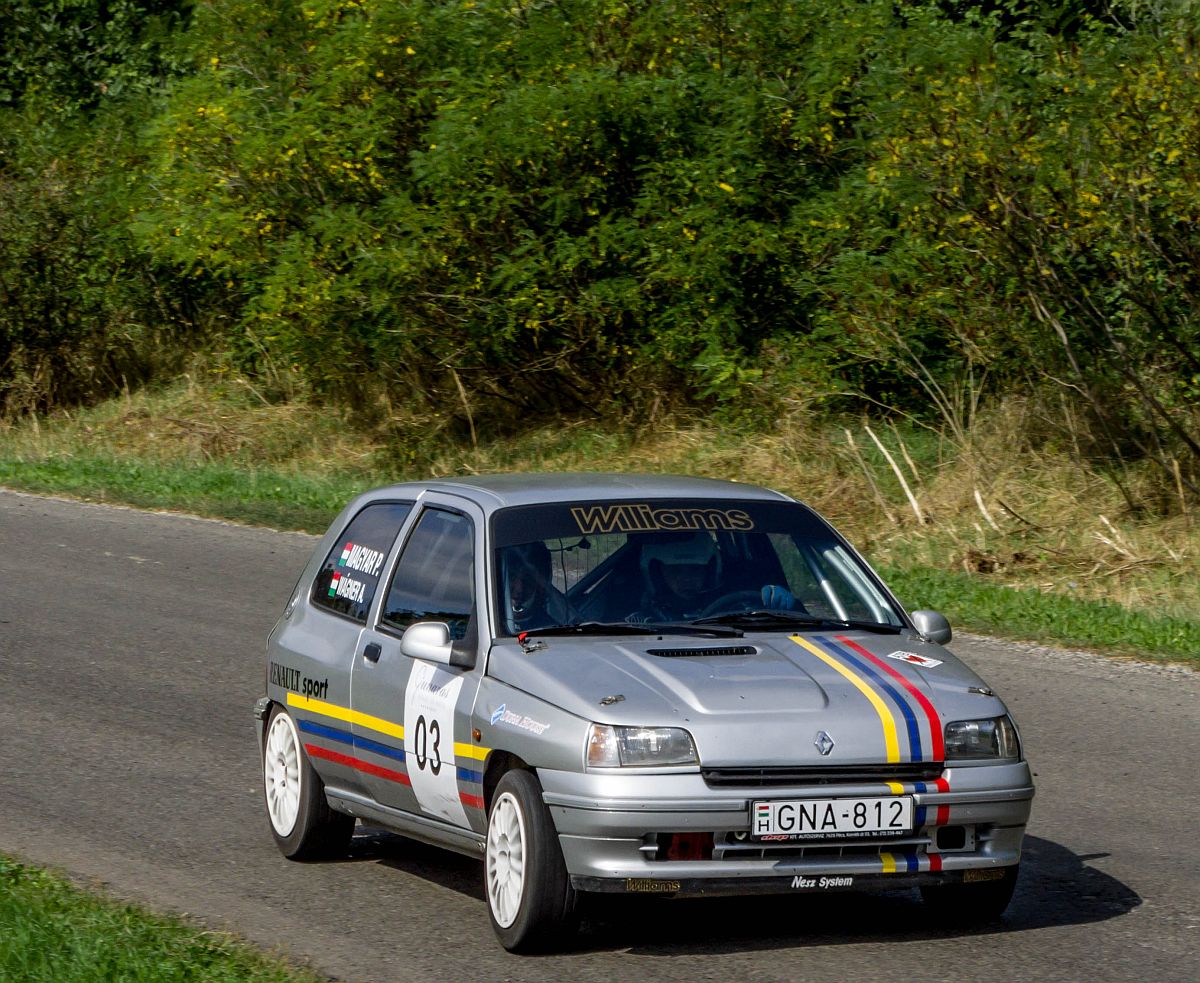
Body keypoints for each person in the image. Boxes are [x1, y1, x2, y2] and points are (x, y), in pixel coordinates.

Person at [630, 531, 800, 623]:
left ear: (710, 570)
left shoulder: (740, 608)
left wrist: (790, 609)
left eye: (695, 570)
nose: (686, 579)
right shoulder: (641, 620)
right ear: (657, 574)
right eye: (675, 571)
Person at [503, 541, 563, 632]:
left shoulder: (552, 631)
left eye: (527, 578)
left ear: (540, 584)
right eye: (511, 576)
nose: (519, 588)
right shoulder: (483, 622)